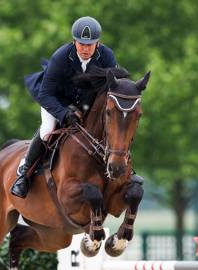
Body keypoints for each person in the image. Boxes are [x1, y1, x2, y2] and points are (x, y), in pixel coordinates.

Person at [11, 16, 118, 198]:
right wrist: (63, 113)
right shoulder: (61, 57)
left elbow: (112, 89)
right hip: (55, 100)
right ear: (74, 41)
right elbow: (46, 94)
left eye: (90, 44)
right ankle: (25, 173)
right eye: (81, 44)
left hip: (85, 102)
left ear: (98, 44)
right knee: (47, 130)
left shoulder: (107, 57)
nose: (85, 49)